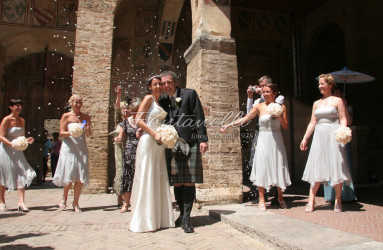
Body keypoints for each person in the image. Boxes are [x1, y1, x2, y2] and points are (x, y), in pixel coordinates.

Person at [221, 83, 291, 212]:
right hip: (263, 140)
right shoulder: (259, 106)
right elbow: (246, 118)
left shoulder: (282, 107)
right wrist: (229, 124)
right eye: (263, 92)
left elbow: (286, 126)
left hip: (277, 141)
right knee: (262, 167)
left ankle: (280, 197)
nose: (265, 94)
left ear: (274, 93)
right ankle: (261, 199)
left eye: (268, 92)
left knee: (278, 166)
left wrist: (280, 117)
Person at [159, 71, 208, 233]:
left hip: (190, 141)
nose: (166, 85)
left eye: (169, 82)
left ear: (175, 82)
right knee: (178, 181)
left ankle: (187, 218)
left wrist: (202, 139)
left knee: (189, 180)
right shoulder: (162, 99)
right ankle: (181, 214)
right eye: (163, 83)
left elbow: (199, 116)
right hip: (172, 144)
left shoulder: (189, 94)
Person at [300, 74, 352, 213]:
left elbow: (343, 119)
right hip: (319, 136)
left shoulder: (337, 101)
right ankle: (311, 200)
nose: (320, 86)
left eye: (322, 84)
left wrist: (343, 132)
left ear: (330, 85)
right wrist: (305, 138)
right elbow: (312, 122)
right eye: (319, 84)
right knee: (317, 165)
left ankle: (338, 200)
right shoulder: (316, 103)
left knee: (336, 165)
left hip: (333, 135)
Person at [129, 75, 174, 232]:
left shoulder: (159, 102)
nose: (158, 87)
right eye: (155, 84)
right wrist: (153, 133)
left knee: (158, 177)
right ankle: (145, 220)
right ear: (149, 86)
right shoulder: (148, 98)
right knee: (147, 177)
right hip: (149, 141)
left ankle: (159, 218)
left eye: (160, 84)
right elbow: (138, 121)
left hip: (159, 143)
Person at [246, 76, 284, 205]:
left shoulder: (279, 99)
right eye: (260, 86)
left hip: (275, 135)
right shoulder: (259, 102)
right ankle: (260, 195)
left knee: (275, 162)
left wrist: (263, 94)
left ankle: (276, 195)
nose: (262, 89)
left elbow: (278, 107)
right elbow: (249, 113)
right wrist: (250, 97)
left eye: (264, 86)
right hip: (261, 132)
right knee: (257, 161)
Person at [53, 94, 91, 212]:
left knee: (80, 175)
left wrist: (88, 128)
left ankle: (75, 202)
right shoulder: (66, 116)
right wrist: (72, 132)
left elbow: (88, 134)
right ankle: (64, 198)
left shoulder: (85, 117)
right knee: (69, 174)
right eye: (76, 102)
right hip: (69, 147)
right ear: (71, 103)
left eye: (80, 103)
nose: (78, 105)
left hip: (81, 147)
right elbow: (61, 133)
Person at [0, 99, 36, 212]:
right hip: (6, 150)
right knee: (4, 175)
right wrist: (11, 144)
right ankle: (2, 201)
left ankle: (21, 202)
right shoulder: (7, 120)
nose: (19, 107)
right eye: (17, 105)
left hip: (18, 152)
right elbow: (1, 136)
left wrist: (26, 140)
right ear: (11, 107)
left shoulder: (22, 121)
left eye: (20, 105)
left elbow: (21, 136)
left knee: (21, 174)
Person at [323, 88, 357, 202]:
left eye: (339, 93)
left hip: (341, 136)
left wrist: (345, 106)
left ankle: (346, 194)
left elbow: (349, 121)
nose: (337, 94)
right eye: (335, 93)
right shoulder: (328, 105)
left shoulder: (347, 106)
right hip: (330, 136)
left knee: (343, 164)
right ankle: (330, 194)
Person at [115, 97, 141, 213]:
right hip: (130, 150)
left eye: (137, 109)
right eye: (133, 110)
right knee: (129, 176)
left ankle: (140, 202)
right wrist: (119, 138)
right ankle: (126, 203)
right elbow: (121, 134)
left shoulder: (144, 120)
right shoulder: (125, 121)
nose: (135, 112)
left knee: (141, 175)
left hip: (142, 149)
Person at [110, 86, 126, 209]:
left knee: (129, 172)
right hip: (120, 149)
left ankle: (127, 197)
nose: (124, 110)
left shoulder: (133, 121)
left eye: (126, 108)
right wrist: (119, 96)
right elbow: (116, 108)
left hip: (130, 149)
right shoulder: (118, 121)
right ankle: (120, 198)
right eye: (123, 109)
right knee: (120, 171)